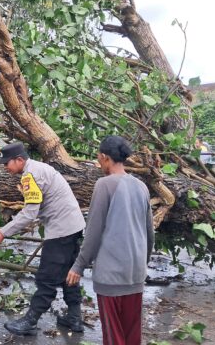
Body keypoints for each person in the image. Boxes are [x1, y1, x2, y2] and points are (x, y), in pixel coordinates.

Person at [0, 142, 86, 336]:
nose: (5, 167)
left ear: (20, 160)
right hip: (73, 227)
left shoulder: (30, 175)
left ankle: (30, 321)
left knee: (46, 278)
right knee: (69, 274)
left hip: (61, 230)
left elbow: (29, 213)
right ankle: (74, 317)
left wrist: (2, 232)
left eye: (7, 163)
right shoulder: (39, 168)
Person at [67, 136, 154, 345]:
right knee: (132, 335)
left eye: (99, 159)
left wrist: (78, 266)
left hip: (111, 276)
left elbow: (94, 231)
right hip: (135, 275)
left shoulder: (104, 185)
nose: (99, 163)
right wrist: (143, 263)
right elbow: (150, 232)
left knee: (114, 336)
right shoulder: (141, 186)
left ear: (105, 157)